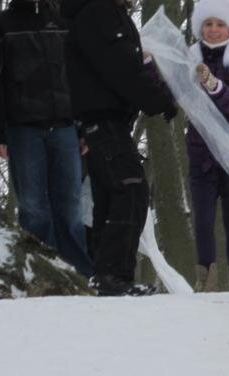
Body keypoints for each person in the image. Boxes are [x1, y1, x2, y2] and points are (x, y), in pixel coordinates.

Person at [61, 0, 178, 296]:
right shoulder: (99, 13)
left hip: (105, 121)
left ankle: (103, 275)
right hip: (103, 120)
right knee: (131, 189)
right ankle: (113, 275)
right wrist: (156, 99)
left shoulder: (105, 14)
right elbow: (120, 67)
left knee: (109, 196)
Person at [0, 0, 94, 278]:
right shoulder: (1, 25)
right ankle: (42, 273)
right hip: (22, 129)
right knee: (33, 209)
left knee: (70, 209)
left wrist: (83, 127)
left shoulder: (63, 21)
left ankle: (79, 276)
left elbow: (79, 75)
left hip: (66, 127)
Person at [185, 0, 229, 292]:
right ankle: (205, 280)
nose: (213, 30)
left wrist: (215, 86)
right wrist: (152, 63)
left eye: (220, 24)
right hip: (201, 153)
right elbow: (170, 93)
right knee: (202, 218)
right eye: (208, 24)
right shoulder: (189, 59)